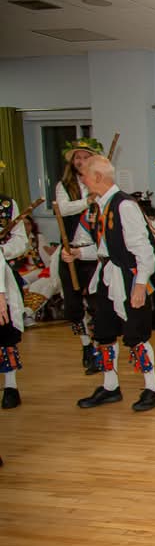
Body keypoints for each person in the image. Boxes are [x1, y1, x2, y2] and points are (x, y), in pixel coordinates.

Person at [71, 155, 155, 412]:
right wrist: (79, 254)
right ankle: (110, 387)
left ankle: (153, 389)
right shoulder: (101, 205)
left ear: (98, 177)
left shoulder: (124, 206)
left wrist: (139, 285)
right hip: (106, 276)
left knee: (136, 334)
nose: (84, 181)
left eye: (85, 176)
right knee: (104, 333)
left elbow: (144, 250)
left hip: (127, 278)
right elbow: (105, 248)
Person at [57, 138, 104, 373]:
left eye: (86, 157)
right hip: (69, 251)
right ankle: (85, 344)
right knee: (73, 306)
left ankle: (98, 348)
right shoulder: (65, 186)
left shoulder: (100, 183)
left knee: (96, 304)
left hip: (93, 252)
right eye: (78, 157)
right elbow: (63, 209)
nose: (81, 161)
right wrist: (87, 201)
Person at [0, 167, 30, 409]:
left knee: (4, 331)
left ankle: (10, 386)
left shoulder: (7, 206)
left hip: (1, 275)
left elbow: (21, 241)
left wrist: (2, 251)